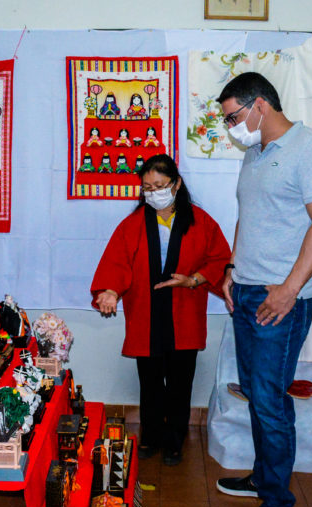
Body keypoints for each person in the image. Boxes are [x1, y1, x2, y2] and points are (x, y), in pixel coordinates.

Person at [215, 72, 312, 507]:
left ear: (260, 105)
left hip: (281, 298)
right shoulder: (254, 152)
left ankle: (277, 505)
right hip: (247, 291)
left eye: (233, 115)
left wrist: (289, 290)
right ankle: (264, 477)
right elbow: (250, 218)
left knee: (269, 397)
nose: (231, 125)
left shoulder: (311, 149)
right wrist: (232, 268)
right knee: (255, 390)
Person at [90, 154, 231, 466]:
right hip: (146, 313)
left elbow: (221, 259)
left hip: (185, 311)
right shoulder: (132, 225)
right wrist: (110, 290)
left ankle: (175, 441)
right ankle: (151, 436)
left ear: (176, 184)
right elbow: (117, 263)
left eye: (159, 186)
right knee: (150, 382)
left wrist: (194, 280)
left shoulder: (201, 222)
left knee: (181, 383)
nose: (153, 192)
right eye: (147, 188)